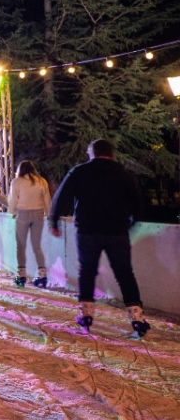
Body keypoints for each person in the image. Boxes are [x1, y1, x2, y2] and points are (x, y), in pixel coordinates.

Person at [49, 139, 149, 335]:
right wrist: (131, 224)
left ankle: (87, 315)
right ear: (111, 154)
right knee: (124, 273)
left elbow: (61, 197)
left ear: (91, 153)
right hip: (117, 231)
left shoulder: (79, 172)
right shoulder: (124, 173)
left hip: (88, 230)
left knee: (87, 271)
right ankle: (137, 318)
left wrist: (54, 221)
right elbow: (138, 203)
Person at [8, 160, 51, 288]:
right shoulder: (42, 181)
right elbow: (47, 200)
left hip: (22, 215)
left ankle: (21, 277)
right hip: (38, 214)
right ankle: (42, 276)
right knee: (36, 246)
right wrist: (49, 214)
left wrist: (12, 211)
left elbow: (12, 200)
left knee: (20, 246)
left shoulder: (17, 181)